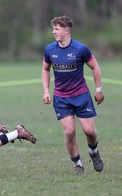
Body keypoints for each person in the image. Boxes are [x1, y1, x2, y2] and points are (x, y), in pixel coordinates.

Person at [42, 15, 104, 173]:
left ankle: (93, 152)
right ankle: (77, 164)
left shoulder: (80, 49)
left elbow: (95, 68)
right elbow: (45, 69)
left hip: (81, 96)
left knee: (89, 131)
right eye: (53, 29)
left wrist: (98, 90)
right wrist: (46, 91)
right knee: (69, 131)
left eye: (57, 29)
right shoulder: (49, 49)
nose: (54, 32)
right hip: (61, 98)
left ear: (67, 30)